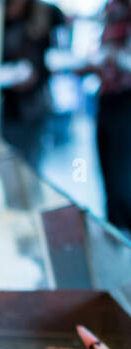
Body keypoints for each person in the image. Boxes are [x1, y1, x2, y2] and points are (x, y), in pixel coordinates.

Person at [0, 0, 65, 171]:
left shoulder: (46, 13)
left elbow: (59, 56)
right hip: (1, 107)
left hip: (33, 107)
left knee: (30, 167)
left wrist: (37, 75)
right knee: (6, 168)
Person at [94, 0, 131, 231]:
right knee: (109, 177)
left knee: (123, 180)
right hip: (107, 98)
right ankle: (115, 238)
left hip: (128, 100)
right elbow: (102, 52)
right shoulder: (111, 8)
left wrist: (117, 59)